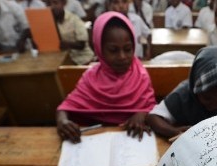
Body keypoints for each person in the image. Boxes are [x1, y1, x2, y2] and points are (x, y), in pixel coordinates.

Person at [56, 11, 156, 143]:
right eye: (113, 50)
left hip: (132, 139)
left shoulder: (140, 75)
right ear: (99, 49)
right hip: (93, 140)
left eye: (127, 49)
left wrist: (141, 114)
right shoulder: (90, 77)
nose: (122, 57)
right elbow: (64, 108)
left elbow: (151, 106)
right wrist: (63, 122)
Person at [146, 46, 217, 139]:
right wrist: (175, 131)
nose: (214, 105)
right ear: (195, 87)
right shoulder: (183, 95)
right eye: (207, 98)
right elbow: (153, 118)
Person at [48, 0, 94, 65]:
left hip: (82, 59)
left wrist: (67, 44)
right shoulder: (50, 21)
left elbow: (82, 45)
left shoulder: (74, 19)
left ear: (63, 3)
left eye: (55, 3)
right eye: (49, 4)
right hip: (64, 60)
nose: (52, 7)